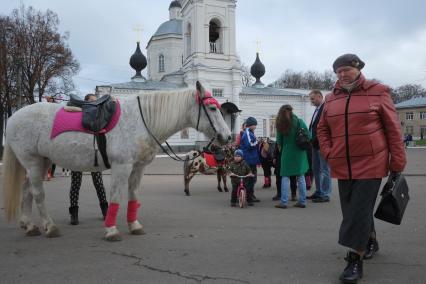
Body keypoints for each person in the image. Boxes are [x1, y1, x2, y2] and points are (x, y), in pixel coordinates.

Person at [317, 54, 406, 283]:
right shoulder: (331, 99)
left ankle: (353, 261)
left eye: (347, 69)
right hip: (342, 164)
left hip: (371, 163)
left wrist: (397, 164)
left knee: (356, 210)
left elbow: (393, 131)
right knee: (353, 210)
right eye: (338, 71)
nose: (342, 74)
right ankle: (370, 240)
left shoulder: (378, 92)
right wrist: (329, 152)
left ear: (358, 69)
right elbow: (322, 130)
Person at [68, 94, 109, 225]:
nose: (94, 103)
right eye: (91, 101)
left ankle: (105, 210)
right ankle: (74, 214)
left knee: (98, 183)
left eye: (95, 100)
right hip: (78, 155)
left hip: (93, 154)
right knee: (75, 183)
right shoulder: (78, 115)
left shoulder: (98, 117)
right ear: (85, 103)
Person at [274, 105, 310, 209]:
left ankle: (284, 202)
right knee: (301, 177)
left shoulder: (280, 123)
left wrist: (283, 150)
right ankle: (302, 201)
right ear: (292, 111)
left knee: (285, 177)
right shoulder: (299, 121)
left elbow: (279, 141)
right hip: (300, 153)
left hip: (287, 153)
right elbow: (308, 135)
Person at [307, 89, 332, 203]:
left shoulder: (325, 108)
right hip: (314, 144)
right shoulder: (317, 109)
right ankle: (319, 191)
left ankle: (326, 194)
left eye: (312, 99)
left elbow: (326, 127)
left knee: (325, 169)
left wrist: (318, 139)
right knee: (315, 169)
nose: (311, 101)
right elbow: (313, 126)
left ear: (319, 96)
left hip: (322, 144)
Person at [239, 117, 260, 203]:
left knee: (252, 179)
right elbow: (250, 145)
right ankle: (248, 197)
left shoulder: (250, 132)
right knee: (249, 179)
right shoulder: (247, 133)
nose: (255, 126)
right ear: (250, 125)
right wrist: (257, 142)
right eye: (254, 125)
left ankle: (250, 196)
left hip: (252, 159)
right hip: (249, 160)